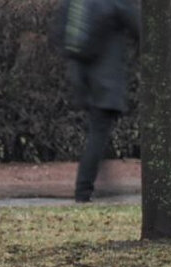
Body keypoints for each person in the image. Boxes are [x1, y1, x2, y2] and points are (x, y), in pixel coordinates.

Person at [58, 0, 141, 203]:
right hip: (106, 80)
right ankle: (83, 191)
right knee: (97, 136)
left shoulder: (78, 3)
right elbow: (140, 29)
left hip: (82, 76)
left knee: (97, 134)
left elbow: (59, 34)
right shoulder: (115, 2)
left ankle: (103, 186)